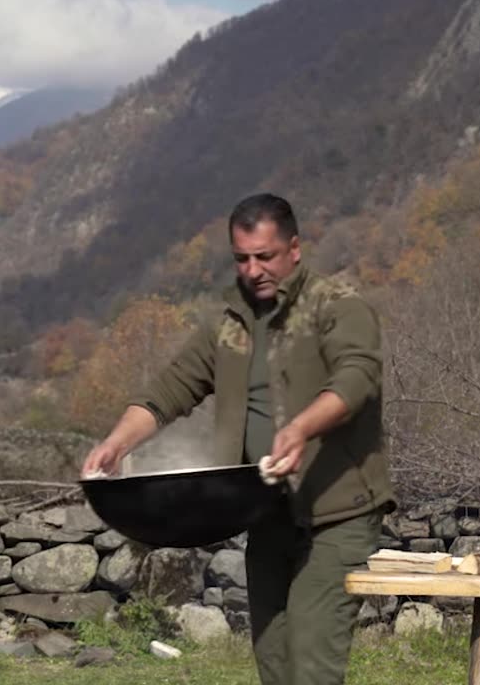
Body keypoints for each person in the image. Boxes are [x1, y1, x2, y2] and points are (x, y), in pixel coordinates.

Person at [81, 193, 394, 685]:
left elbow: (357, 378)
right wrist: (118, 442)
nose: (252, 270)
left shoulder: (337, 307)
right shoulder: (229, 327)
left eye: (264, 256)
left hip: (337, 515)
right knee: (273, 661)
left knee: (311, 661)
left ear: (294, 248)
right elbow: (169, 390)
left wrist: (299, 429)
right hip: (264, 512)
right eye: (241, 258)